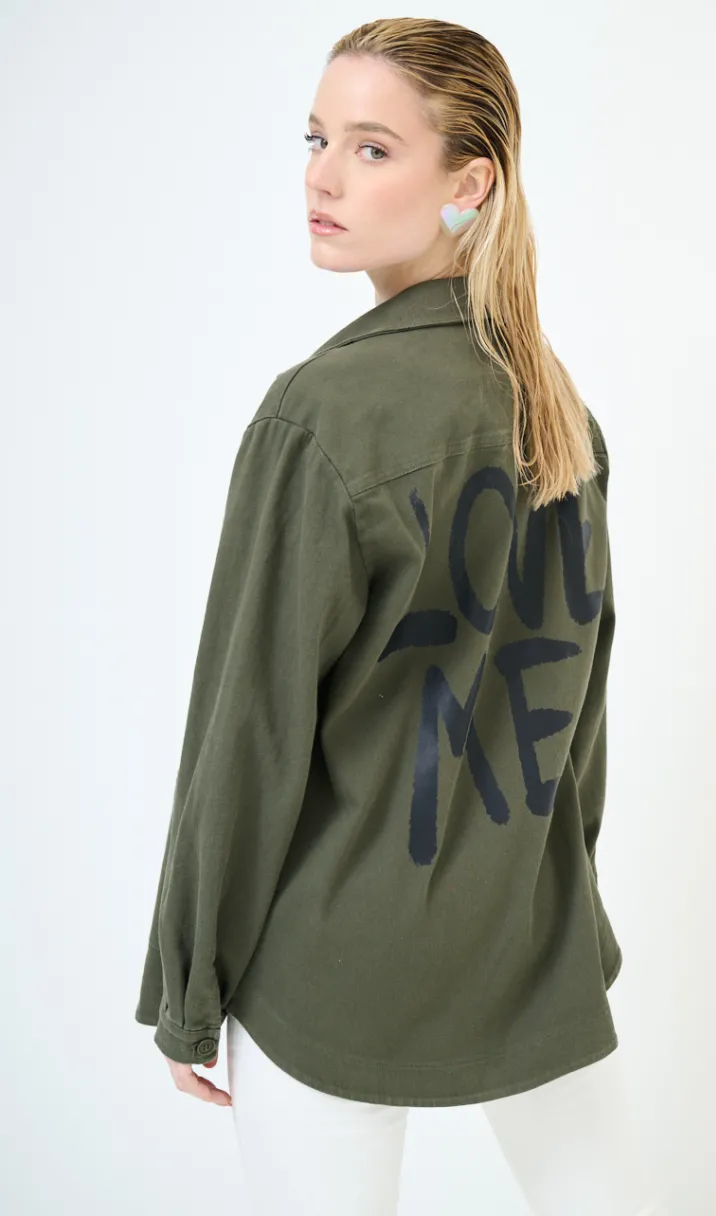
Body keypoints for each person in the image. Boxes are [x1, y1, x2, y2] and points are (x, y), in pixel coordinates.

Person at [135, 17, 668, 1216]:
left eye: (372, 148)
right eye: (316, 138)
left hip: (332, 966)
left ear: (467, 184)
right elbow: (576, 713)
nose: (322, 176)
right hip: (526, 941)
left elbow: (248, 729)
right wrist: (559, 907)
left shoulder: (320, 414)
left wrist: (188, 984)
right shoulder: (557, 409)